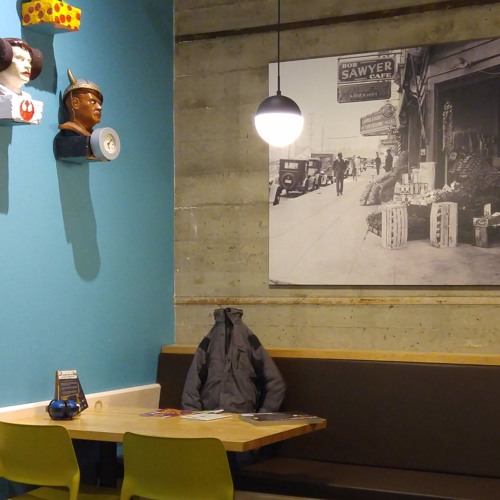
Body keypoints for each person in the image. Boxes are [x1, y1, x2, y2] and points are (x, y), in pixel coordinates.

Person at [182, 307, 286, 414]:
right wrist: (194, 416)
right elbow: (191, 385)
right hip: (211, 416)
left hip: (243, 416)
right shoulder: (209, 341)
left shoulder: (249, 339)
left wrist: (263, 415)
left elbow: (275, 383)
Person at [58, 69, 103, 136]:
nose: (99, 107)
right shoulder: (67, 137)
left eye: (99, 103)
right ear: (75, 103)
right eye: (93, 102)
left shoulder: (93, 137)